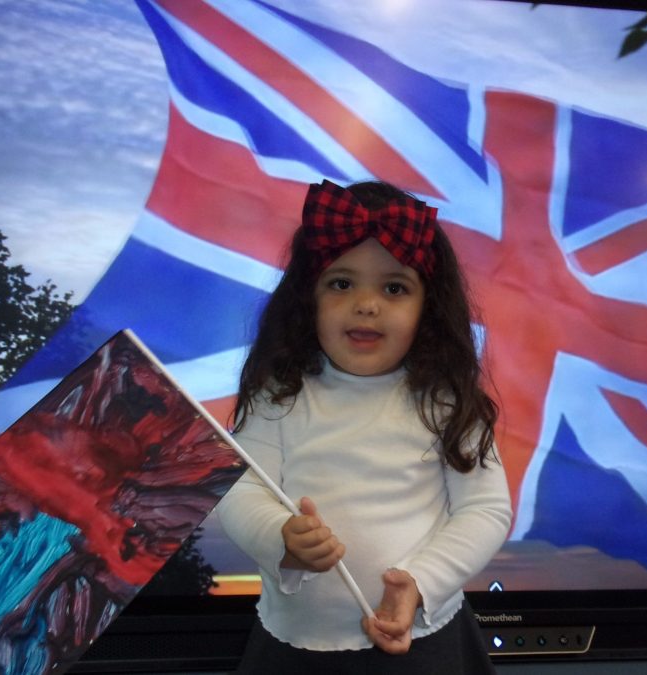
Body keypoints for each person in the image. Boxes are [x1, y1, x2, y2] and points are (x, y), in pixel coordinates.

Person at [216, 179, 512, 673]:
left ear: (428, 307)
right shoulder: (279, 396)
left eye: (394, 288)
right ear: (308, 298)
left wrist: (421, 582)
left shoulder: (445, 402)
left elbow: (485, 510)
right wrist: (280, 537)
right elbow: (240, 490)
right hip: (294, 649)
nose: (367, 304)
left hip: (424, 643)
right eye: (341, 283)